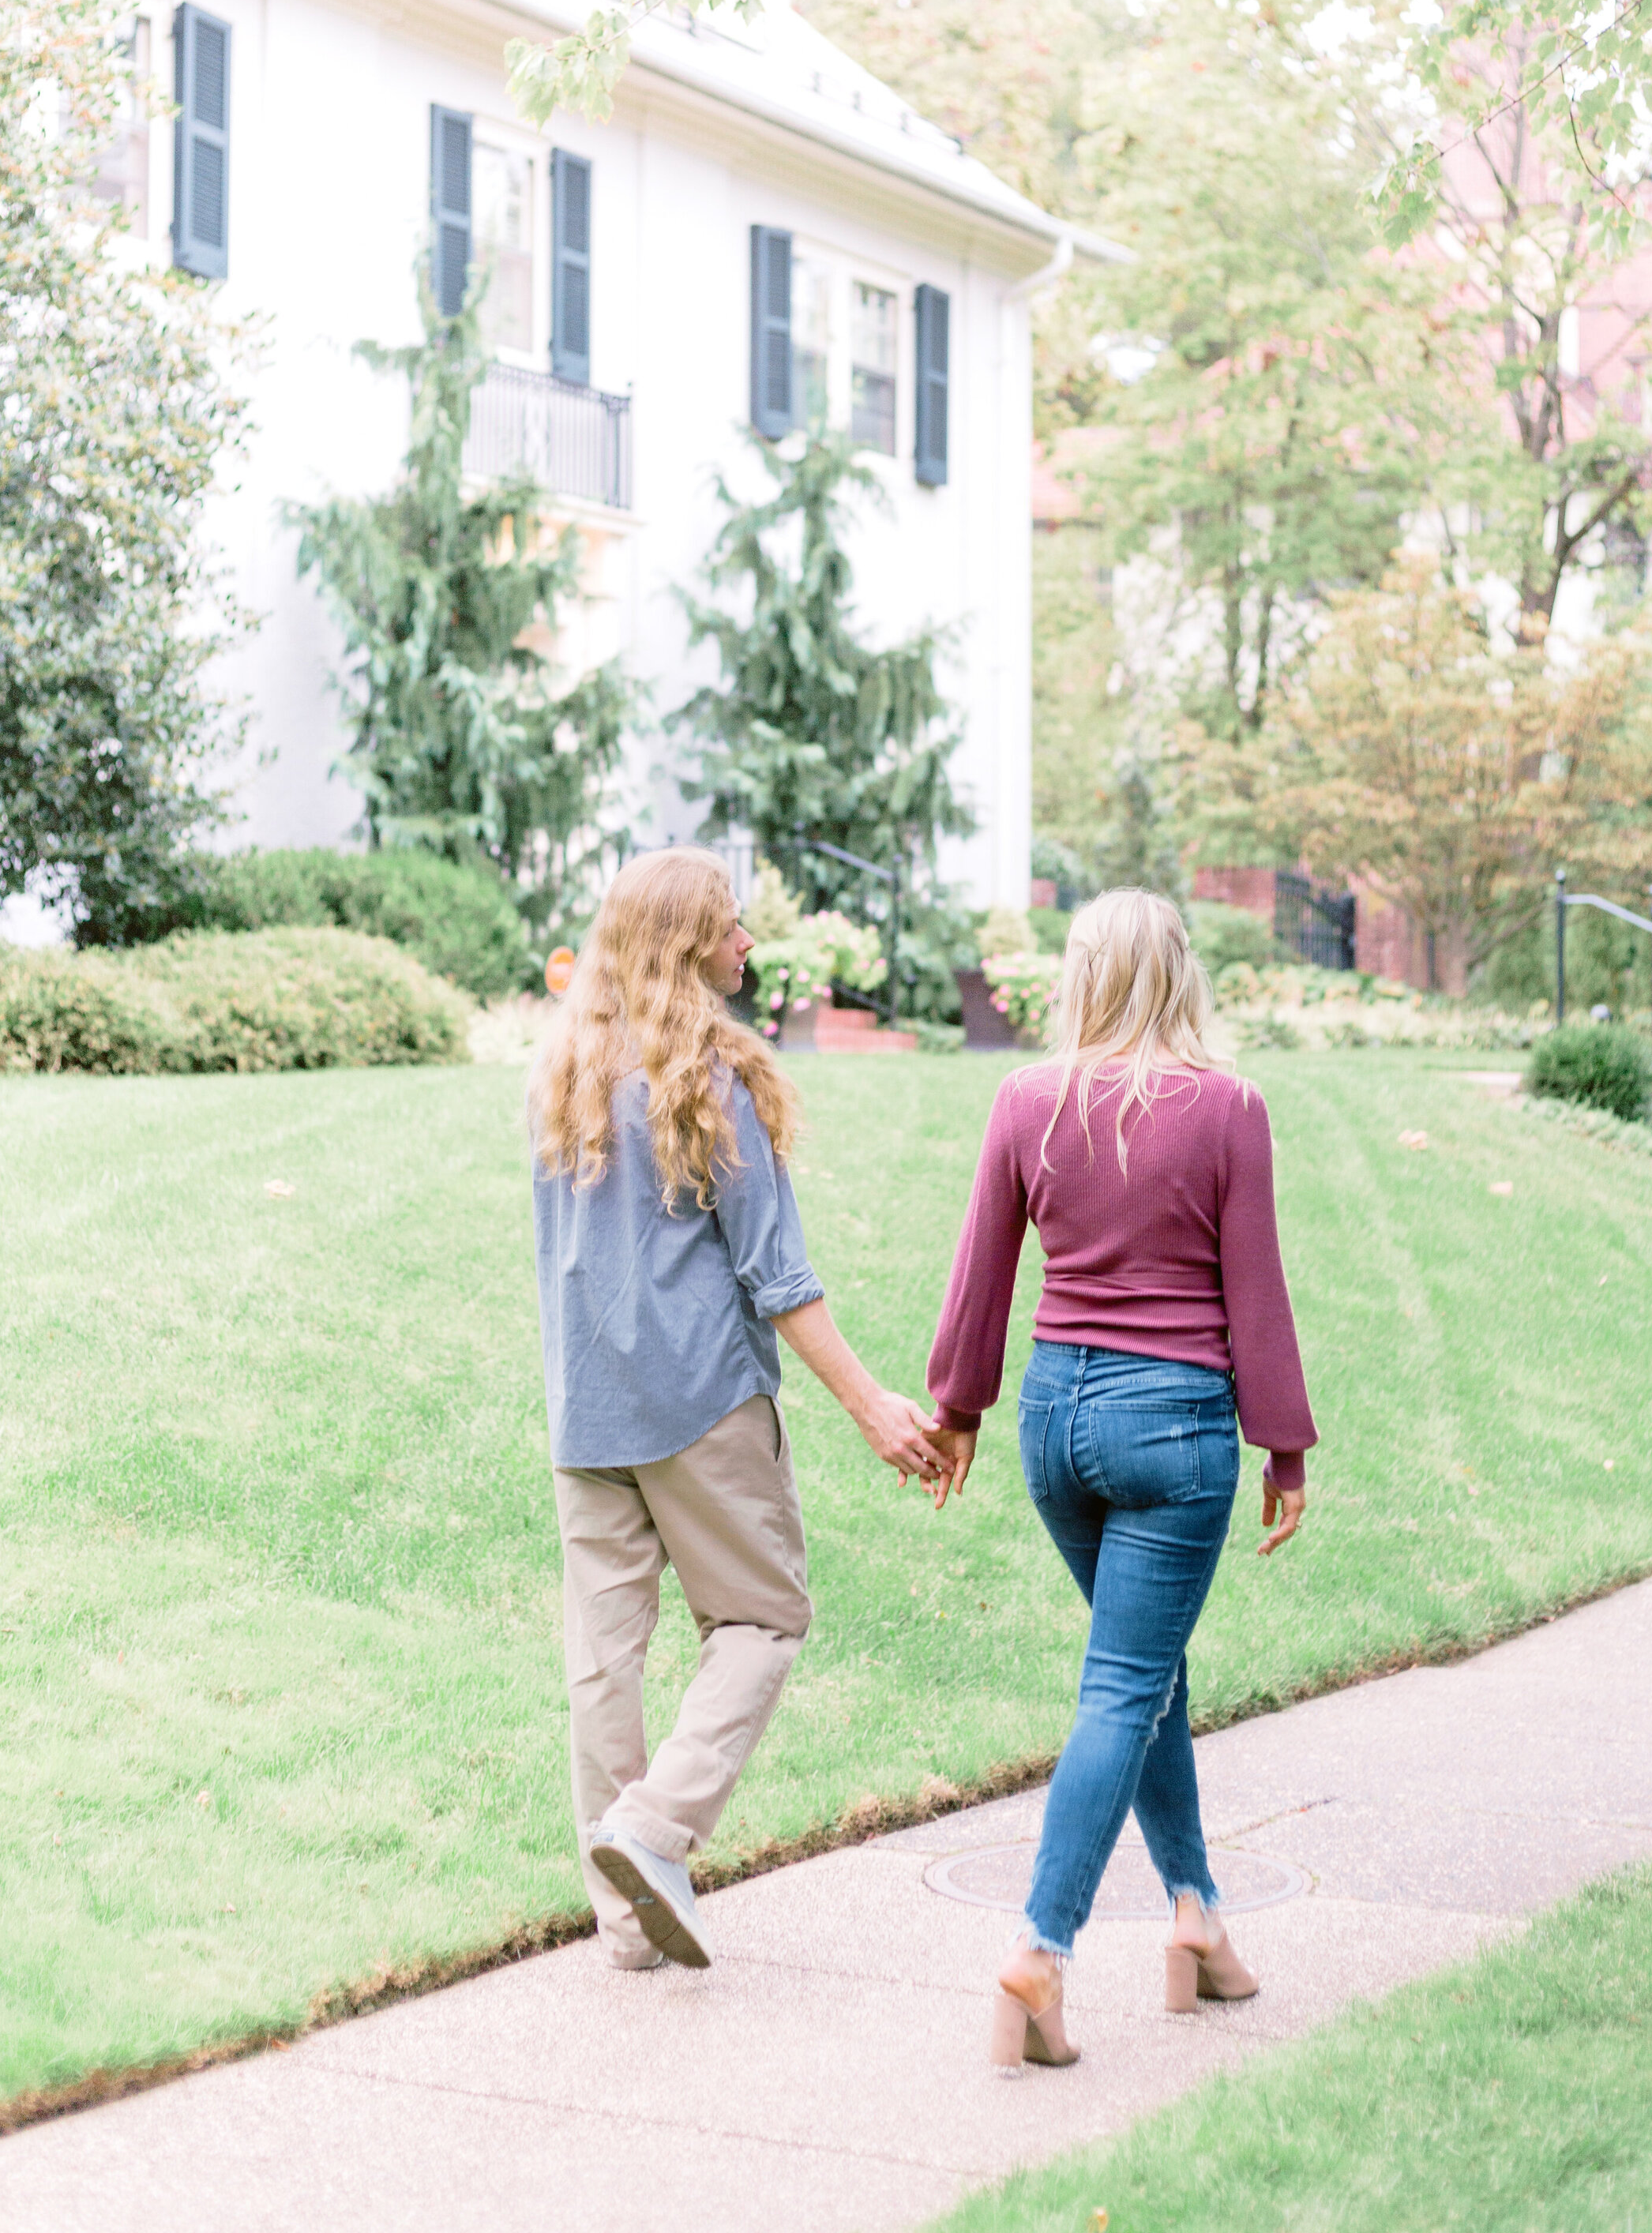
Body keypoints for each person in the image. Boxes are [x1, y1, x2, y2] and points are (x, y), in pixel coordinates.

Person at [530, 845, 946, 1971]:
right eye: (732, 924)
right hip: (702, 1405)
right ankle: (654, 1834)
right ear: (686, 943)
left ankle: (627, 1927)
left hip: (587, 1413)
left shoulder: (564, 1069)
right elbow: (779, 1276)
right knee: (764, 1622)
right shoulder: (707, 1078)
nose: (748, 942)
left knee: (602, 1661)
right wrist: (873, 1410)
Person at [923, 888, 1316, 2071]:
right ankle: (1041, 1954)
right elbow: (1257, 1290)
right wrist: (1284, 1443)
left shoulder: (1027, 1101)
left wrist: (958, 1412)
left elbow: (980, 1276)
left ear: (1081, 976)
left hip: (1056, 1421)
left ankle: (1198, 1919)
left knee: (1148, 1671)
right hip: (1174, 1430)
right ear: (1180, 974)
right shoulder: (1230, 1109)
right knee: (1125, 1683)